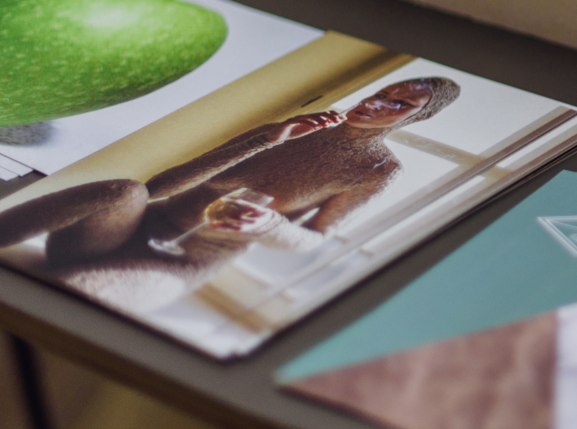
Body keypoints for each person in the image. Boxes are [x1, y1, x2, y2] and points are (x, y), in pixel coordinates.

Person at [0, 77, 460, 311]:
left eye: (400, 104)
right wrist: (265, 139)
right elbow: (159, 187)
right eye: (385, 92)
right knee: (127, 190)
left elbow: (314, 241)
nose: (378, 103)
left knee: (70, 292)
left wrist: (268, 224)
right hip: (129, 229)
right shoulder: (300, 127)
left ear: (415, 118)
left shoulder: (379, 170)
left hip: (183, 263)